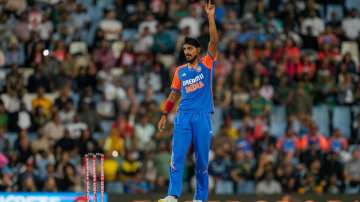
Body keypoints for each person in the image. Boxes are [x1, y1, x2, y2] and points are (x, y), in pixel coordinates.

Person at [157, 1, 218, 202]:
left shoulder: (208, 64)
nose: (187, 52)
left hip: (202, 117)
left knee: (201, 162)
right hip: (183, 116)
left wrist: (210, 16)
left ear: (198, 51)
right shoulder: (180, 71)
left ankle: (199, 198)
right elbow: (173, 95)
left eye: (190, 49)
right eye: (185, 49)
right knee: (177, 157)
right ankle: (172, 195)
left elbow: (214, 42)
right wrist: (165, 114)